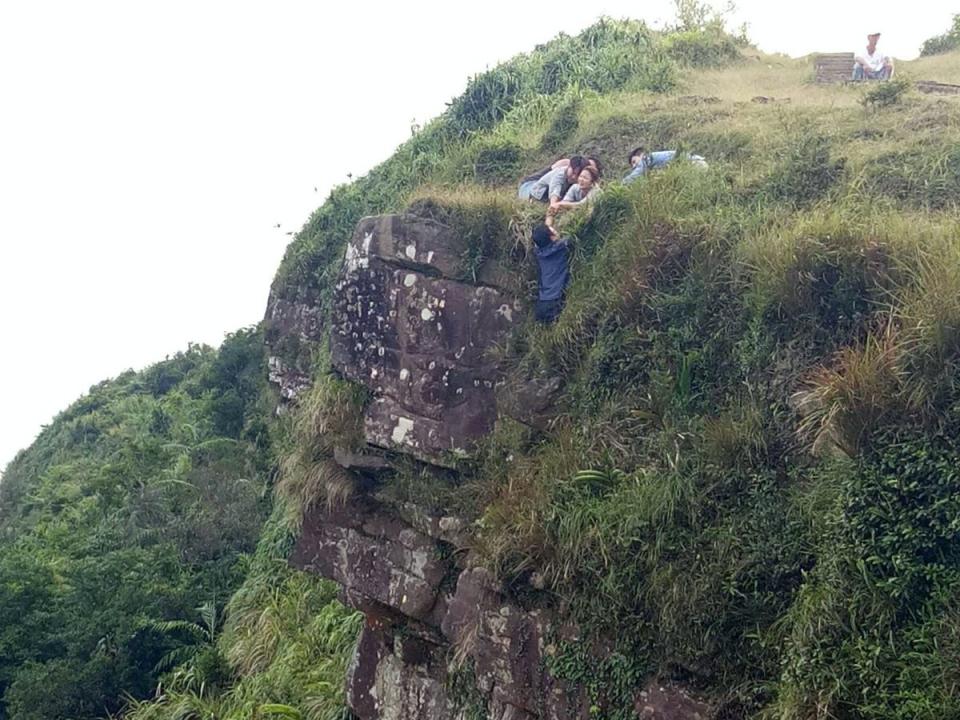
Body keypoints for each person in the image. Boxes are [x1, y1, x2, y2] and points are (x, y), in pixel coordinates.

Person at [531, 223, 570, 324]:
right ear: (552, 237)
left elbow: (543, 236)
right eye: (553, 230)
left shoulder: (538, 252)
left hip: (542, 303)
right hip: (555, 302)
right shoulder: (561, 247)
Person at [518, 155, 587, 203]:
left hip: (539, 182)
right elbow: (554, 196)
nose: (574, 177)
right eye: (573, 172)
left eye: (577, 175)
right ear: (569, 166)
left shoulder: (580, 179)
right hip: (528, 187)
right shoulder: (559, 175)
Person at [622, 146, 708, 184]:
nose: (634, 166)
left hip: (694, 165)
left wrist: (622, 183)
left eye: (634, 161)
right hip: (699, 163)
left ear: (640, 154)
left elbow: (639, 171)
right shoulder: (654, 162)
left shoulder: (646, 158)